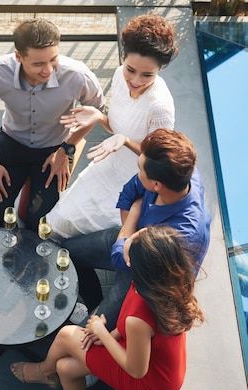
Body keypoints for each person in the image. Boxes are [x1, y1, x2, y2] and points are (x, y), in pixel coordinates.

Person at [10, 225, 205, 390]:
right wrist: (110, 334)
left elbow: (136, 370)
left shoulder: (139, 317)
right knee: (65, 367)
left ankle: (44, 371)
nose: (133, 233)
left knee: (66, 335)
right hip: (154, 362)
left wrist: (103, 334)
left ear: (130, 264)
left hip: (151, 383)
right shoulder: (161, 282)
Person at [46, 13, 178, 241]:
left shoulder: (160, 107)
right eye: (131, 69)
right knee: (57, 221)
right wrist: (98, 116)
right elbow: (115, 127)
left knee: (79, 238)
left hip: (134, 183)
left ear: (160, 70)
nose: (136, 80)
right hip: (108, 167)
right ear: (123, 58)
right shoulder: (119, 76)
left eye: (147, 74)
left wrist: (125, 140)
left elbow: (159, 160)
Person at [65, 129, 212, 330]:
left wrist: (134, 214)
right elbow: (129, 192)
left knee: (86, 336)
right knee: (66, 253)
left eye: (140, 169)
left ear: (157, 185)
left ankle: (102, 312)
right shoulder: (184, 171)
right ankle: (94, 301)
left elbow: (121, 258)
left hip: (145, 279)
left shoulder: (181, 236)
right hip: (130, 241)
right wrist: (130, 231)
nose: (138, 172)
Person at [0, 17, 105, 231]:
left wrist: (67, 148)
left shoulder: (78, 75)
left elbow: (97, 111)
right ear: (18, 57)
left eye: (53, 59)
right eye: (38, 64)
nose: (48, 70)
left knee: (40, 223)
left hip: (54, 149)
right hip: (12, 143)